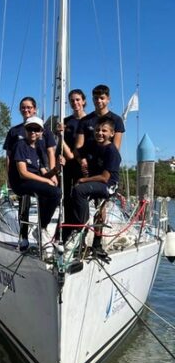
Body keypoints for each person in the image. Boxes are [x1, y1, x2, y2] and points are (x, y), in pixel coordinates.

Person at [8, 116, 63, 250]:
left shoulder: (38, 148)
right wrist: (46, 180)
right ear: (25, 130)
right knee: (55, 192)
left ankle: (41, 228)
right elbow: (23, 173)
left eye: (36, 129)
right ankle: (41, 228)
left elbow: (43, 172)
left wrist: (55, 169)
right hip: (21, 183)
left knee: (53, 192)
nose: (33, 132)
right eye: (30, 129)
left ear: (41, 132)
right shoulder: (20, 145)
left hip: (33, 180)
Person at [70, 117, 121, 249]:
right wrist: (83, 161)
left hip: (109, 185)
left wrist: (83, 180)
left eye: (104, 131)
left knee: (80, 190)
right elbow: (76, 151)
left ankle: (84, 231)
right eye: (97, 130)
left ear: (112, 133)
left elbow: (105, 177)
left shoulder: (112, 151)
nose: (100, 133)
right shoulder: (93, 145)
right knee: (75, 195)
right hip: (96, 181)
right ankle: (82, 237)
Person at [55, 89, 87, 241]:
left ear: (84, 101)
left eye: (78, 99)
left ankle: (82, 231)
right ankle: (66, 231)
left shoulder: (90, 120)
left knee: (80, 199)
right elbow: (60, 146)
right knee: (66, 198)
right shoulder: (65, 121)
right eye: (72, 100)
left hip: (83, 165)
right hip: (67, 165)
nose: (75, 103)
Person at [75, 85, 125, 177]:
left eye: (102, 98)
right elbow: (79, 146)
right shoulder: (84, 121)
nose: (98, 101)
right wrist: (82, 160)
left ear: (108, 99)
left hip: (106, 167)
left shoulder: (117, 120)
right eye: (96, 98)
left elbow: (116, 147)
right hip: (88, 166)